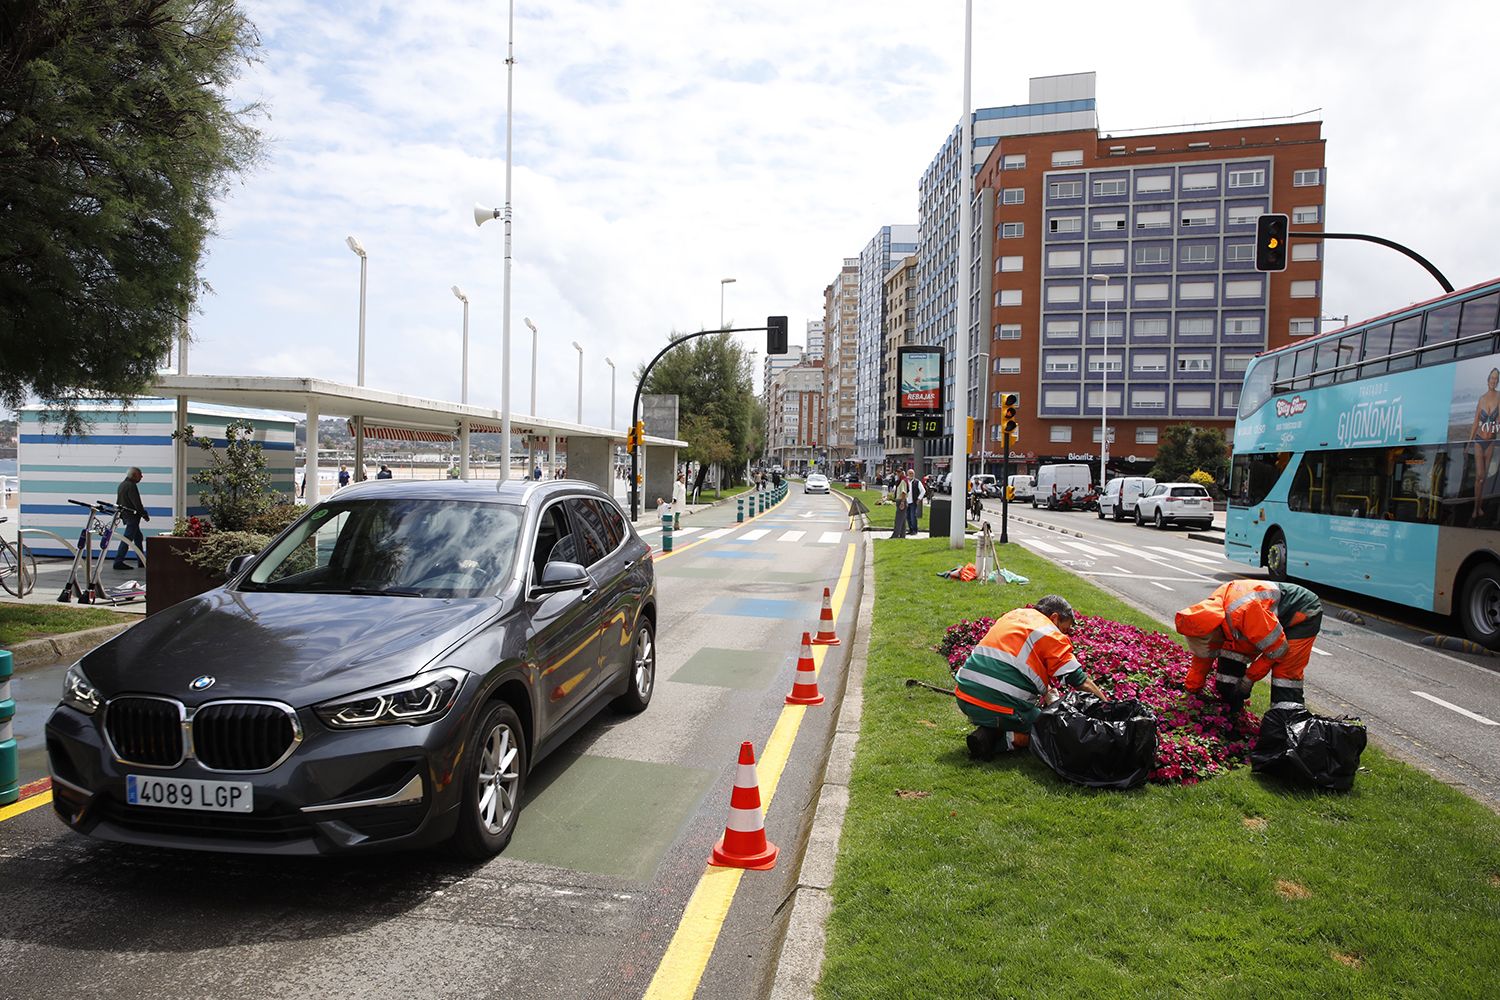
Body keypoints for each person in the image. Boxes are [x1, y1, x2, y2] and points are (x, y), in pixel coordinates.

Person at [954, 595, 1111, 760]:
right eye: (1065, 629)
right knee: (1051, 728)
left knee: (1006, 712)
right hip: (1000, 705)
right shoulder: (1049, 631)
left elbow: (1015, 662)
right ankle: (999, 740)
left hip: (965, 697)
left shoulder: (1014, 615)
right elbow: (1081, 682)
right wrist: (1108, 708)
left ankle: (990, 729)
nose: (1065, 634)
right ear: (1054, 618)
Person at [1175, 579, 1323, 708]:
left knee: (1284, 677)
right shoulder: (1208, 618)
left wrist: (1249, 679)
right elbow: (1203, 658)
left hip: (1299, 612)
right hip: (1259, 619)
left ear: (1215, 631)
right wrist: (1191, 690)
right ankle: (1232, 710)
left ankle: (1286, 726)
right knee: (1227, 673)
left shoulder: (1244, 612)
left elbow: (1278, 649)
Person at [1470, 367, 1500, 518]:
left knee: (1484, 478)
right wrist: (1467, 443)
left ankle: (1479, 507)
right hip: (1479, 440)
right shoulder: (1481, 399)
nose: (1493, 380)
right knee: (1479, 475)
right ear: (1488, 380)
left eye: (1496, 378)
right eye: (1492, 378)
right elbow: (1475, 423)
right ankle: (1475, 508)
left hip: (1491, 441)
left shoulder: (1499, 397)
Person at [111, 467, 150, 570]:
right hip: (132, 516)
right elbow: (136, 503)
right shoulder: (131, 486)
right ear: (133, 475)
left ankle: (141, 560)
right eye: (140, 474)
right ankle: (118, 561)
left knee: (138, 537)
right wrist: (144, 514)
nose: (142, 476)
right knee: (127, 539)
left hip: (126, 515)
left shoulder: (122, 485)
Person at [908, 468, 926, 535]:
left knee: (913, 516)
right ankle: (910, 529)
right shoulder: (906, 481)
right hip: (907, 501)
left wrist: (919, 499)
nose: (911, 474)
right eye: (909, 473)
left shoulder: (917, 482)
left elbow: (923, 491)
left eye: (912, 473)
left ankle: (915, 530)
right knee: (908, 516)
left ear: (914, 474)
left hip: (913, 502)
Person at [892, 469, 910, 538]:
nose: (897, 474)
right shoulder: (901, 480)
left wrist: (902, 502)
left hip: (901, 501)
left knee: (898, 519)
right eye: (897, 473)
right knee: (902, 520)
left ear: (902, 473)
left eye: (898, 473)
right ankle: (902, 535)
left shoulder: (903, 481)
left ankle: (895, 535)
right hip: (901, 500)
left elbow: (903, 492)